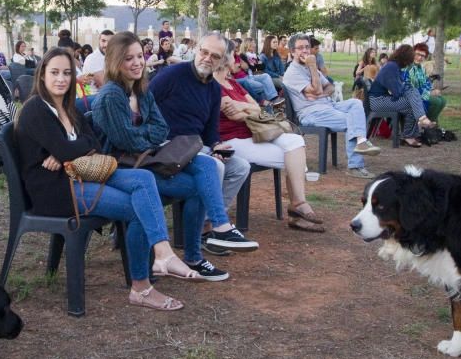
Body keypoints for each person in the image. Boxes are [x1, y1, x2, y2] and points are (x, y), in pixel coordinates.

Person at [15, 46, 200, 307]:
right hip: (57, 190)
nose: (61, 79)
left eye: (67, 73)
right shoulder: (36, 108)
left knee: (144, 180)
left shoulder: (67, 106)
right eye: (54, 72)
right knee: (138, 207)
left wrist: (66, 152)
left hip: (85, 173)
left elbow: (94, 143)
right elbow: (75, 146)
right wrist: (67, 149)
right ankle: (141, 288)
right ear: (42, 74)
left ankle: (163, 253)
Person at [91, 31, 252, 279]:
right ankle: (156, 265)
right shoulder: (112, 94)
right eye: (128, 58)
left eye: (138, 56)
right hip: (122, 168)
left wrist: (146, 134)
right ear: (114, 61)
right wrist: (149, 134)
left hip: (148, 159)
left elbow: (160, 129)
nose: (136, 63)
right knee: (200, 174)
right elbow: (127, 140)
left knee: (205, 173)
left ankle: (207, 241)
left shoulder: (140, 89)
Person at [147, 33, 260, 253]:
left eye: (215, 56)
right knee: (214, 166)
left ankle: (209, 225)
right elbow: (144, 103)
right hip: (167, 145)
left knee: (240, 167)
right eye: (204, 52)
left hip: (196, 147)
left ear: (223, 61)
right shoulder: (172, 75)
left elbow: (210, 131)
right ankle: (212, 229)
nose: (207, 58)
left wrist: (216, 145)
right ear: (197, 50)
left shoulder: (214, 89)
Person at [213, 40, 323, 233]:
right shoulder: (215, 86)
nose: (237, 59)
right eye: (234, 55)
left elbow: (258, 108)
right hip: (233, 140)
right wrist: (248, 109)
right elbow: (234, 114)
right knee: (295, 159)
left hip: (255, 132)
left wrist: (243, 108)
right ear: (224, 58)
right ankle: (296, 210)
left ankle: (298, 204)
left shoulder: (232, 84)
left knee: (296, 141)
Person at [284, 33, 380, 178]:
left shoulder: (311, 68)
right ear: (292, 52)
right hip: (310, 113)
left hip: (328, 105)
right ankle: (356, 166)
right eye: (300, 48)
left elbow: (330, 87)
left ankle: (361, 141)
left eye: (307, 47)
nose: (305, 51)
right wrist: (312, 66)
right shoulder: (292, 72)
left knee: (355, 103)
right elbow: (316, 88)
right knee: (351, 119)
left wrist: (320, 94)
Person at [370, 44, 436, 148]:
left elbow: (399, 89)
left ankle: (414, 130)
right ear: (405, 57)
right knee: (412, 101)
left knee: (413, 97)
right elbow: (397, 91)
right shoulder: (392, 67)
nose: (410, 62)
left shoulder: (395, 66)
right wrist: (407, 89)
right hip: (377, 101)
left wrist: (407, 89)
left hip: (382, 99)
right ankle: (410, 133)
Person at [406, 43, 446, 122]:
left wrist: (432, 90)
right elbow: (412, 87)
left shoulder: (420, 68)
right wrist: (429, 93)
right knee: (436, 102)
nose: (419, 57)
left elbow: (424, 83)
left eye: (423, 56)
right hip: (409, 96)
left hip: (419, 94)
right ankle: (426, 125)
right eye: (417, 54)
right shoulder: (408, 67)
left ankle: (432, 124)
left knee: (442, 100)